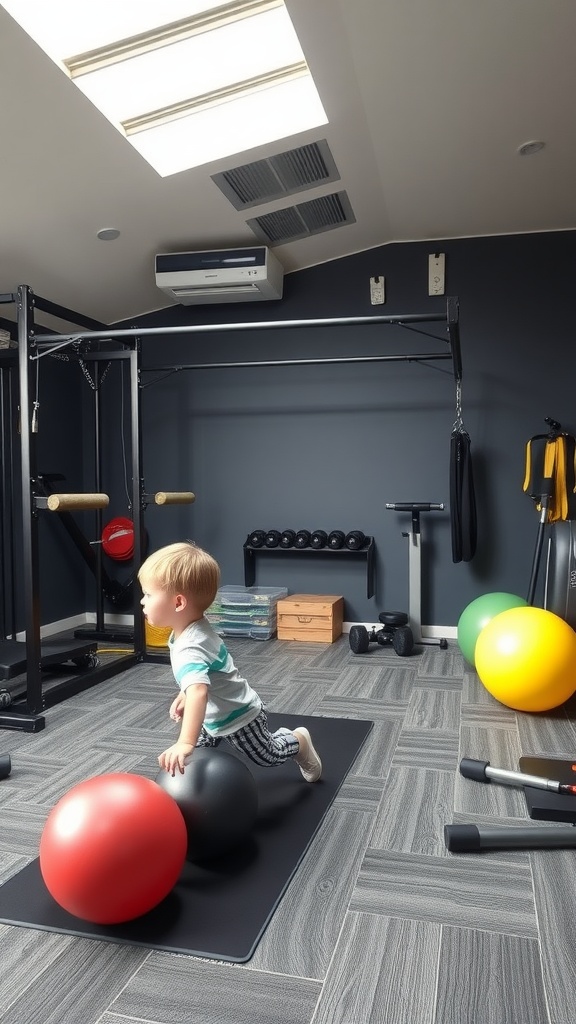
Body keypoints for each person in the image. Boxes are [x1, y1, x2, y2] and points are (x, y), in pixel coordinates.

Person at [138, 541, 322, 782]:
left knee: (269, 755)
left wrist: (184, 742)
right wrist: (185, 693)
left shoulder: (189, 646)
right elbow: (207, 673)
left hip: (238, 715)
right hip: (213, 714)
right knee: (199, 753)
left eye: (149, 594)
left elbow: (199, 693)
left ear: (179, 603)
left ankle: (298, 740)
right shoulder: (192, 627)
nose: (143, 600)